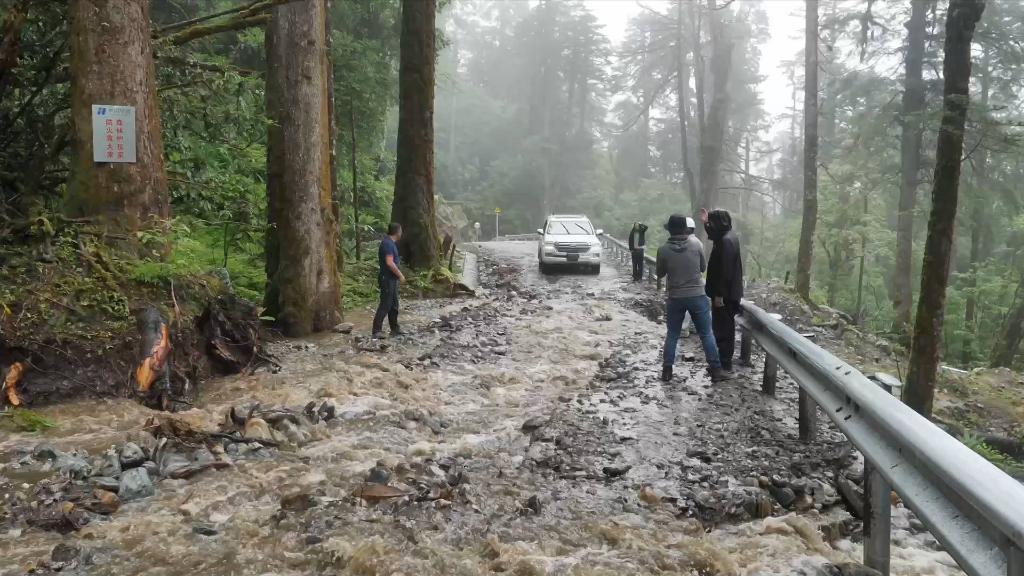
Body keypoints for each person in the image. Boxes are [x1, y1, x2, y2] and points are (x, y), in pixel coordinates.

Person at [656, 214, 732, 383]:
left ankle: (667, 370)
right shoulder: (696, 244)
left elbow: (660, 273)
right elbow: (703, 267)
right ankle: (716, 370)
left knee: (672, 334)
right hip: (697, 294)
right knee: (706, 334)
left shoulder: (663, 249)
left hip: (675, 296)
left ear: (669, 230)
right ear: (685, 229)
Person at [702, 208, 743, 372]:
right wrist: (706, 223)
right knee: (721, 327)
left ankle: (724, 363)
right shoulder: (727, 236)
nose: (711, 226)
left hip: (725, 295)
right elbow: (714, 234)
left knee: (723, 329)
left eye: (712, 223)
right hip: (727, 292)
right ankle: (722, 361)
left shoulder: (726, 241)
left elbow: (725, 272)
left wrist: (719, 294)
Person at [372, 223, 406, 338]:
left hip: (392, 279)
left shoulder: (391, 243)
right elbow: (389, 263)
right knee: (386, 304)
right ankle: (376, 330)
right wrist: (400, 275)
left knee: (394, 305)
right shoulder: (387, 244)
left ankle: (395, 328)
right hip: (387, 279)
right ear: (398, 231)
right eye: (401, 230)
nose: (401, 233)